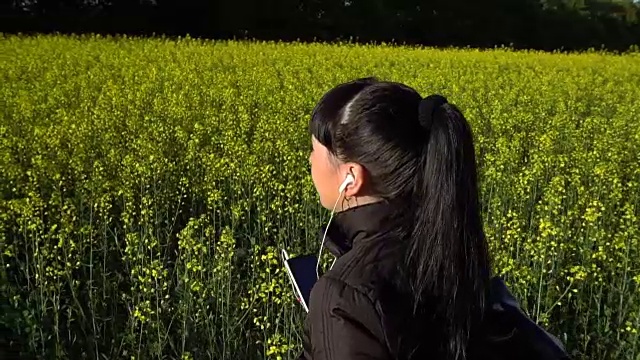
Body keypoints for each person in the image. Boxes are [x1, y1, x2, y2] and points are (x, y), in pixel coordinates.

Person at [297, 77, 570, 360]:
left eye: (316, 151)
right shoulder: (449, 241)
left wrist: (330, 317)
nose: (309, 159)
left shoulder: (344, 296)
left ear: (351, 178)